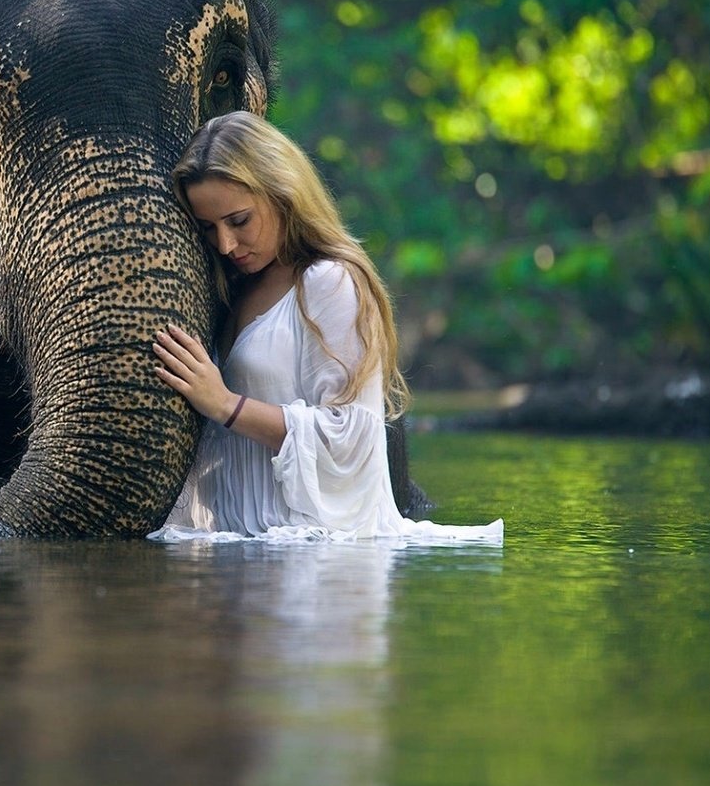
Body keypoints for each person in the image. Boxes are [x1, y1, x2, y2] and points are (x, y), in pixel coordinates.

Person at [150, 112, 502, 543]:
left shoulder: (328, 281)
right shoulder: (232, 288)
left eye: (239, 221)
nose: (225, 244)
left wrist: (225, 405)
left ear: (283, 193)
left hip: (321, 561)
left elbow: (352, 435)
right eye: (208, 228)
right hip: (239, 551)